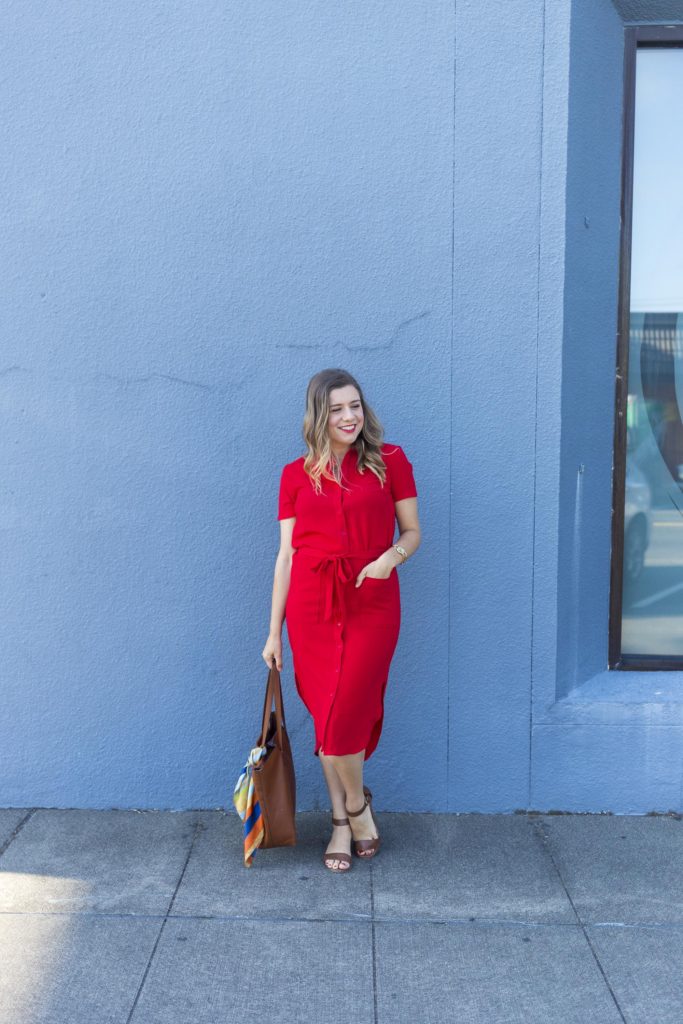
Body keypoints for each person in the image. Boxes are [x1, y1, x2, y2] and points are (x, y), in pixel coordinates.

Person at [262, 368, 421, 872]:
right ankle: (344, 817)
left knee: (348, 708)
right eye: (336, 409)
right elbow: (285, 556)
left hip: (372, 601)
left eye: (355, 405)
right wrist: (273, 633)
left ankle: (352, 808)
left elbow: (413, 531)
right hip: (310, 608)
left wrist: (389, 558)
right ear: (318, 415)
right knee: (328, 716)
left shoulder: (390, 461)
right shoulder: (295, 474)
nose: (349, 416)